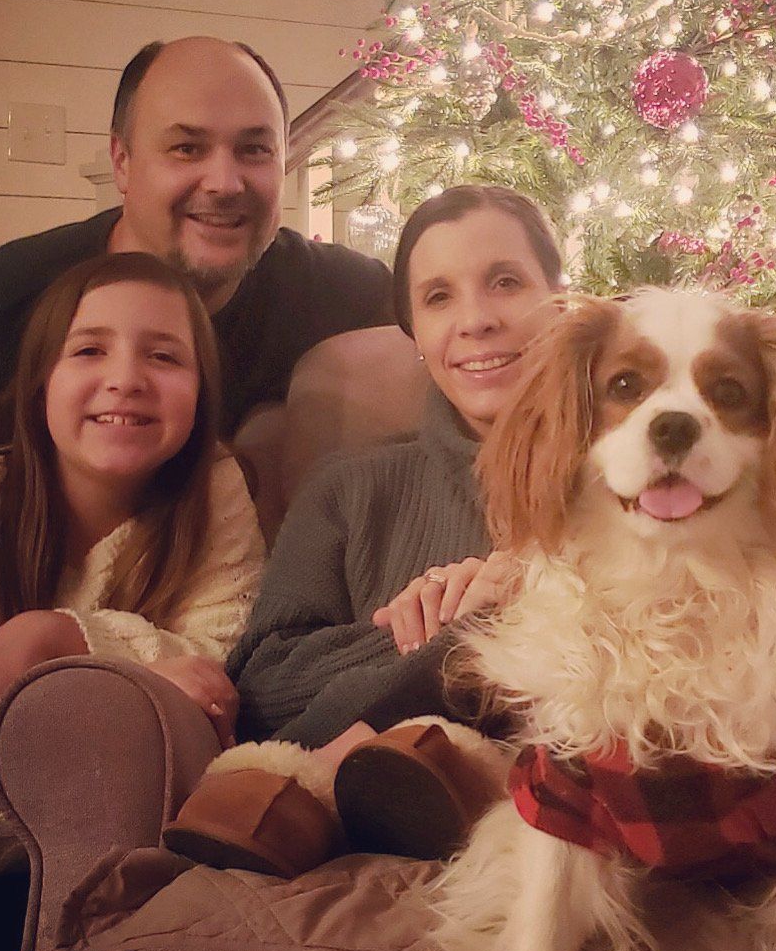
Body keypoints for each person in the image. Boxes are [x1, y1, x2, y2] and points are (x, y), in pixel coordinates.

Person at [0, 36, 392, 720]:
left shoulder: (346, 295)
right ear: (122, 162)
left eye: (254, 149)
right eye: (186, 148)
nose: (224, 181)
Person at [0, 250, 265, 879]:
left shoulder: (215, 490)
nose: (127, 379)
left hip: (145, 870)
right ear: (40, 381)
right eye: (89, 351)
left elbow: (216, 672)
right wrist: (122, 738)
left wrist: (61, 635)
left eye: (164, 356)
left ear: (202, 390)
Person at [230, 184, 564, 749]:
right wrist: (447, 627)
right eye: (438, 297)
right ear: (412, 330)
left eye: (506, 282)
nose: (476, 320)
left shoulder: (630, 486)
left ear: (558, 299)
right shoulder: (347, 489)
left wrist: (528, 597)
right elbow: (261, 692)